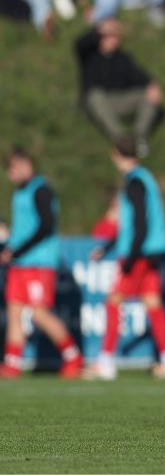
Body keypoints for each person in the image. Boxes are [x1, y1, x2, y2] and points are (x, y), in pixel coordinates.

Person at [85, 137, 165, 380]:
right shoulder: (144, 178)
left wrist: (130, 256)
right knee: (153, 304)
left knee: (113, 302)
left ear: (116, 154)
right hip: (149, 252)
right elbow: (133, 224)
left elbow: (139, 224)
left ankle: (105, 362)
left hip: (139, 253)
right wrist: (107, 248)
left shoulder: (135, 181)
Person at [0, 147, 83, 379]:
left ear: (28, 164)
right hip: (20, 263)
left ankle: (73, 356)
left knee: (39, 313)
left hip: (38, 263)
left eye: (16, 167)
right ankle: (12, 363)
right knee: (14, 310)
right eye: (10, 169)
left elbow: (46, 226)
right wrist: (10, 249)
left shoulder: (41, 190)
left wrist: (16, 250)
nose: (13, 173)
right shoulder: (20, 193)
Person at [75, 19, 163, 157]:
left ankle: (139, 139)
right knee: (95, 95)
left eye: (115, 36)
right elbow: (80, 43)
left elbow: (139, 76)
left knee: (148, 94)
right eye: (107, 36)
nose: (111, 40)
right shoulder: (89, 55)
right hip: (97, 102)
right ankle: (122, 140)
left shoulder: (123, 58)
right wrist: (99, 29)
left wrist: (152, 85)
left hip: (119, 100)